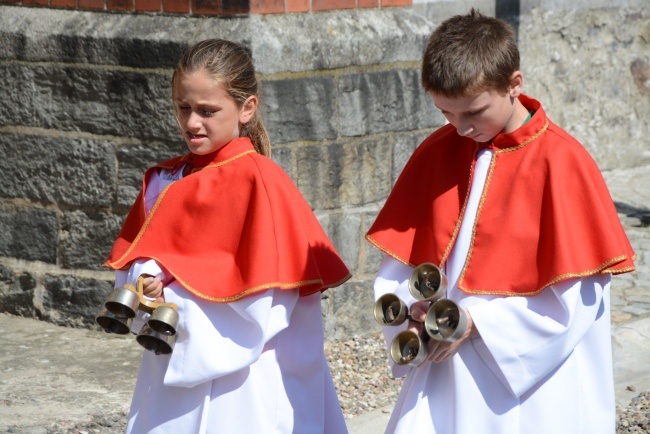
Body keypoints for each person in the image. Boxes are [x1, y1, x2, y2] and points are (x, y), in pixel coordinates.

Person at [366, 9, 636, 434]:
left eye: (473, 112)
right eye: (446, 113)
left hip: (529, 384)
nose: (459, 128)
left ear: (514, 84)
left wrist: (477, 323)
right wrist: (415, 310)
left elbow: (578, 301)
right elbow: (405, 267)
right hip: (446, 367)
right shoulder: (438, 152)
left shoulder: (562, 162)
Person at [104, 39, 351, 434]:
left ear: (246, 109)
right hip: (173, 354)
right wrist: (145, 279)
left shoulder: (262, 182)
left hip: (247, 378)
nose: (191, 123)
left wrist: (177, 300)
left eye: (207, 111)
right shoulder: (166, 179)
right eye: (183, 107)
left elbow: (267, 307)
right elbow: (141, 254)